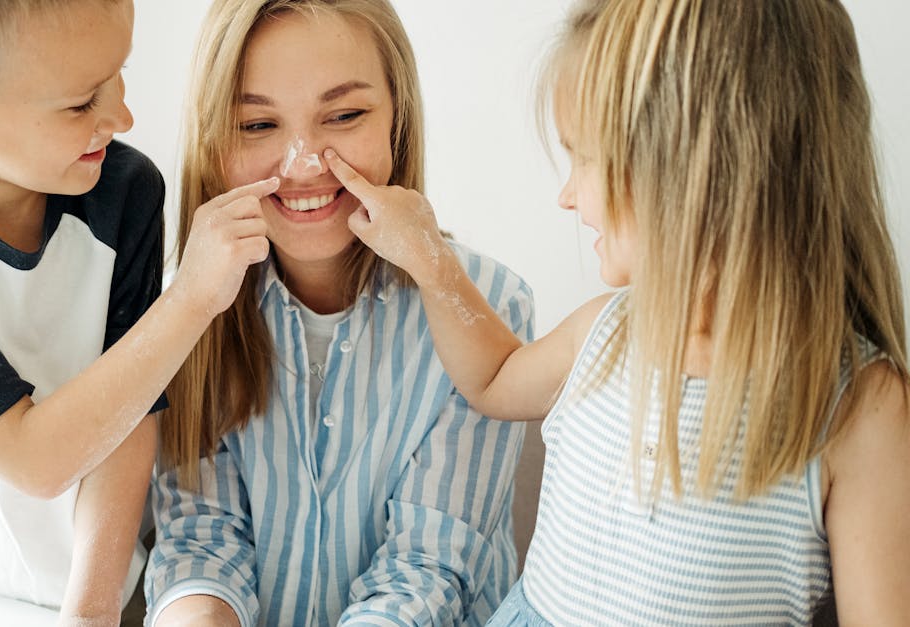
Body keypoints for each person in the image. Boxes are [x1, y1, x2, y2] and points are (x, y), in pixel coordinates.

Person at [332, 0, 910, 624]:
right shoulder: (608, 331)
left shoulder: (860, 412)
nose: (567, 194)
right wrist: (430, 260)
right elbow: (493, 379)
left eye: (584, 157)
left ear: (698, 168)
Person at [0, 0, 275, 622]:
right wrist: (192, 295)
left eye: (118, 74)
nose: (122, 115)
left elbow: (133, 409)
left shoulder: (123, 192)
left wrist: (90, 609)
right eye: (81, 102)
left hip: (101, 590)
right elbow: (35, 460)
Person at [144, 1, 534, 625]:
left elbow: (427, 573)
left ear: (397, 121)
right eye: (256, 125)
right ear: (213, 139)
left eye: (345, 115)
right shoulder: (183, 310)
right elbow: (201, 543)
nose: (302, 164)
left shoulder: (492, 306)